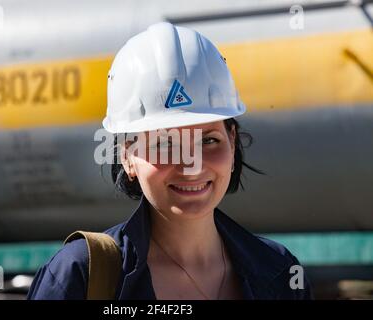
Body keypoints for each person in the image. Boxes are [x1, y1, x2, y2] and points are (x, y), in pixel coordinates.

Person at [28, 22, 313, 300]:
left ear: (232, 140)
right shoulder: (84, 275)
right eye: (165, 144)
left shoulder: (279, 274)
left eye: (208, 140)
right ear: (127, 156)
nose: (192, 164)